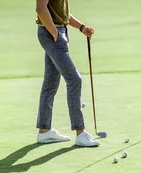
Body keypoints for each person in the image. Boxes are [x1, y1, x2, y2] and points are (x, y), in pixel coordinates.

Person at [35, 0, 99, 147]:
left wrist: (81, 27)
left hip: (56, 32)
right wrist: (56, 34)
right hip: (51, 33)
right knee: (74, 80)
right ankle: (80, 132)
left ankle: (44, 131)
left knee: (50, 82)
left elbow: (61, 13)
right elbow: (40, 8)